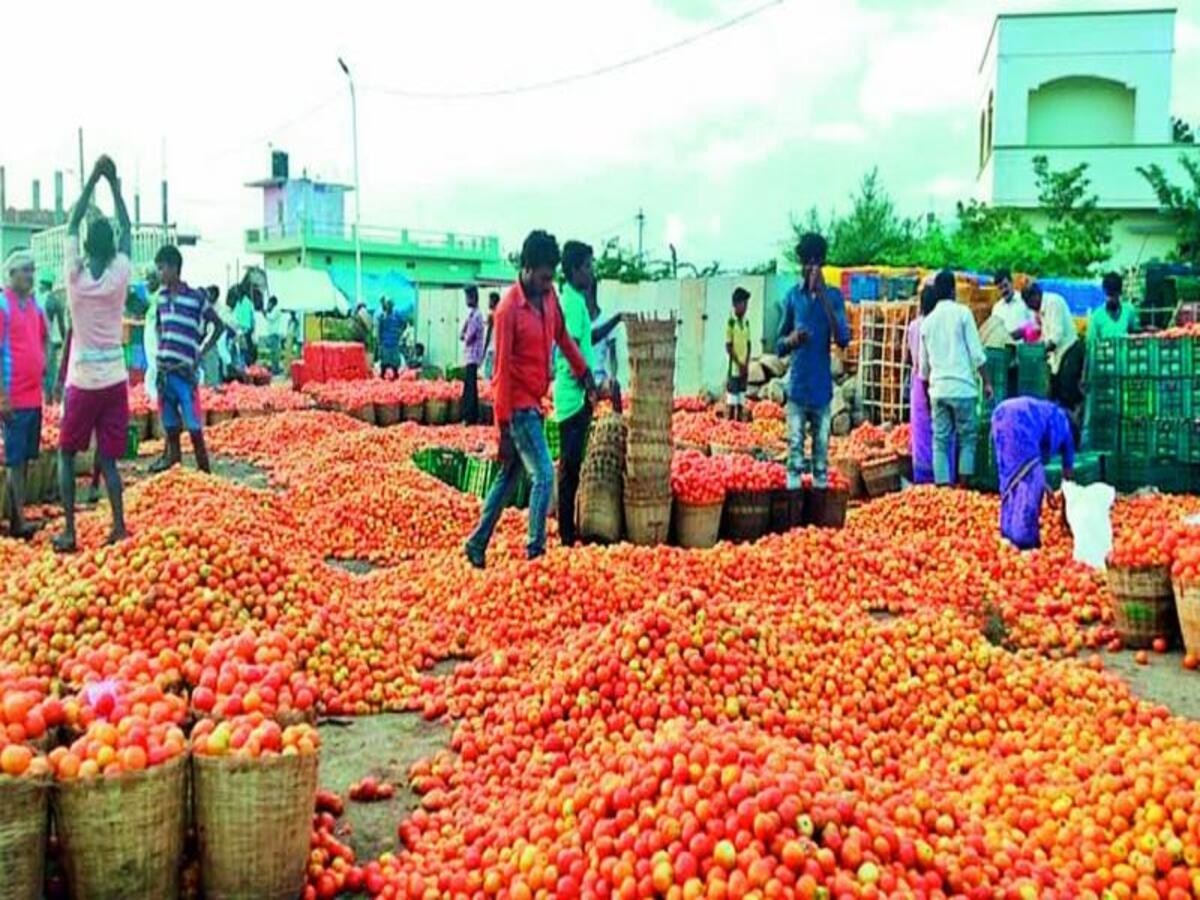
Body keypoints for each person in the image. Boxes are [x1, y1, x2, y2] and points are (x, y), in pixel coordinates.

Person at [465, 230, 594, 568]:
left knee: (508, 479)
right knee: (545, 476)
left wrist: (584, 371)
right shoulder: (508, 310)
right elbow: (501, 373)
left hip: (534, 403)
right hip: (517, 407)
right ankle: (536, 551)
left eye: (551, 277)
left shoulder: (550, 298)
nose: (547, 283)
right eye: (542, 277)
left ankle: (477, 542)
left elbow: (564, 338)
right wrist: (502, 429)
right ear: (525, 268)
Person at [55, 156, 132, 552]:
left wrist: (91, 180)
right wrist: (114, 184)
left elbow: (71, 221)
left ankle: (69, 531)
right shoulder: (120, 275)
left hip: (83, 381)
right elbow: (128, 229)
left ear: (86, 246)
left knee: (66, 454)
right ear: (112, 246)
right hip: (115, 381)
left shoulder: (75, 277)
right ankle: (118, 526)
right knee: (109, 461)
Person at [554, 241, 621, 547]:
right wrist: (588, 385)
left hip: (578, 395)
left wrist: (615, 320)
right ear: (575, 270)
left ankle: (570, 529)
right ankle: (566, 534)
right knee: (569, 466)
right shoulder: (569, 303)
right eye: (588, 267)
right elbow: (568, 349)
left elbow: (587, 339)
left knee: (573, 464)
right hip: (573, 397)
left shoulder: (577, 302)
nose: (592, 272)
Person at [776, 233, 850, 489]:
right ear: (801, 264)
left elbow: (843, 338)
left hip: (821, 390)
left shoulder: (835, 297)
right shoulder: (792, 297)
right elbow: (778, 346)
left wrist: (824, 297)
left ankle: (819, 516)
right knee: (795, 452)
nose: (812, 268)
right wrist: (792, 340)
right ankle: (794, 508)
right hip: (797, 388)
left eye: (817, 262)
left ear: (823, 264)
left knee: (821, 458)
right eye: (807, 262)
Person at [149, 244, 225, 475]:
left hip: (184, 374)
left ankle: (205, 475)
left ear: (174, 268)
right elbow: (160, 326)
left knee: (194, 429)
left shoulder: (196, 298)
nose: (159, 273)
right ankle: (177, 474)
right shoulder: (160, 298)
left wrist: (200, 351)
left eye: (162, 268)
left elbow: (218, 326)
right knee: (171, 429)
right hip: (164, 373)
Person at [920, 269, 993, 487]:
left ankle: (943, 491)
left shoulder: (927, 322)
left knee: (940, 441)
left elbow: (923, 369)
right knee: (967, 439)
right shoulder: (963, 314)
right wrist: (987, 382)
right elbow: (977, 354)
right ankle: (963, 488)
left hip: (938, 389)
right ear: (953, 290)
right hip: (963, 388)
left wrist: (928, 393)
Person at [1, 250, 49, 539]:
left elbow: (44, 337)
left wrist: (43, 363)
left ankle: (19, 514)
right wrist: (2, 396)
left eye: (32, 270)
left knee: (27, 458)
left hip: (33, 396)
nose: (30, 276)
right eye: (25, 271)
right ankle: (17, 521)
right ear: (12, 274)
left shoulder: (35, 305)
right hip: (13, 395)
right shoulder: (3, 305)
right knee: (15, 460)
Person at [991, 396, 1075, 550]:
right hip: (1020, 421)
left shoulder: (1047, 410)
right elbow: (1068, 481)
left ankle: (1008, 533)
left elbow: (1032, 464)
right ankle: (1024, 539)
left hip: (1000, 415)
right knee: (1029, 486)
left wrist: (1045, 485)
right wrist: (1065, 516)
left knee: (1011, 479)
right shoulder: (1063, 424)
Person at [1025, 282, 1083, 426]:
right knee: (1053, 395)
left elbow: (1056, 336)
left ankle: (1073, 428)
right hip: (1056, 358)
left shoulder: (1053, 303)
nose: (1030, 308)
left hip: (1069, 351)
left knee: (1068, 396)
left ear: (1036, 296)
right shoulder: (1040, 311)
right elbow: (1045, 336)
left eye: (1030, 304)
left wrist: (1038, 352)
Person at [903, 285, 939, 484]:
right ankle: (941, 476)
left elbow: (909, 357)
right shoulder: (935, 324)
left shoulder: (914, 326)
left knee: (921, 432)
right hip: (934, 379)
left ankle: (922, 479)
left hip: (918, 381)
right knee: (939, 431)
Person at [726, 287, 752, 422]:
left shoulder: (746, 322)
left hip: (744, 368)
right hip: (735, 368)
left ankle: (739, 426)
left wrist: (746, 363)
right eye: (743, 304)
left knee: (741, 399)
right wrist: (739, 363)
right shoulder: (731, 322)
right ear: (736, 305)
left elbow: (748, 344)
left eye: (746, 304)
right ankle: (730, 425)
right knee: (732, 400)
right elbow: (728, 346)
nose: (746, 307)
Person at [460, 286, 485, 424]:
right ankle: (472, 415)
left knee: (470, 387)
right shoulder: (472, 315)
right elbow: (461, 334)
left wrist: (464, 334)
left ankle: (469, 416)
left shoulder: (476, 316)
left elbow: (467, 337)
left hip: (473, 356)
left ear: (473, 298)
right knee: (471, 386)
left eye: (467, 297)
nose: (466, 300)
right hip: (471, 356)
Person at [41, 279, 66, 404]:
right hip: (48, 339)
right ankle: (49, 400)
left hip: (35, 339)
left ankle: (45, 398)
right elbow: (61, 323)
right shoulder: (54, 301)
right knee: (50, 370)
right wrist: (64, 337)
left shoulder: (34, 299)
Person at [992, 268, 1033, 339]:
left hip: (1024, 347)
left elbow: (1035, 323)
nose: (1004, 290)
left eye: (1005, 285)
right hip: (1004, 347)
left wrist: (1022, 331)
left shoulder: (1025, 300)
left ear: (1011, 282)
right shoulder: (996, 308)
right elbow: (995, 331)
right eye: (1000, 288)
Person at [377, 296, 405, 378]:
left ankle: (395, 374)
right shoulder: (382, 316)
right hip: (385, 341)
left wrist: (400, 332)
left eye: (390, 305)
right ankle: (382, 374)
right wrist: (379, 340)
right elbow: (380, 329)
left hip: (394, 341)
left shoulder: (397, 314)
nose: (388, 306)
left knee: (394, 361)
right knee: (384, 360)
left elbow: (404, 323)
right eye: (387, 305)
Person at [482, 291, 501, 381]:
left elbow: (488, 335)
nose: (488, 303)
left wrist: (484, 349)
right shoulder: (501, 314)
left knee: (487, 374)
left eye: (490, 300)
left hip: (491, 348)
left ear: (494, 301)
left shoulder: (491, 316)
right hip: (499, 348)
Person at [263, 296, 283, 375]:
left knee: (275, 353)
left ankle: (276, 369)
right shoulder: (272, 311)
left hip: (274, 334)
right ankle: (274, 368)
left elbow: (271, 318)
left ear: (272, 303)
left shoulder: (276, 310)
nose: (268, 305)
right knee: (272, 353)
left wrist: (265, 313)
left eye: (269, 303)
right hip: (271, 334)